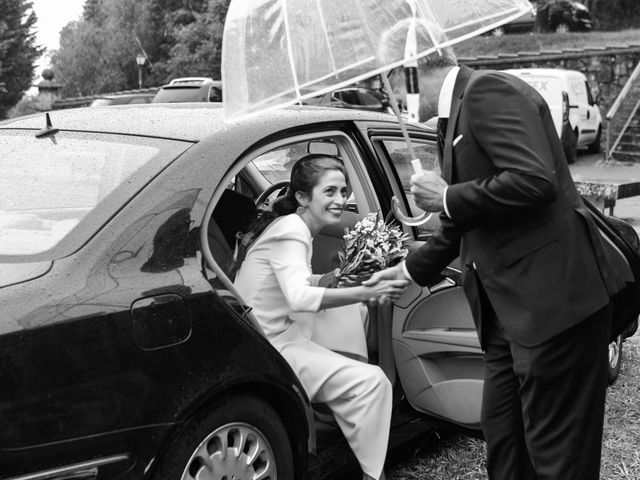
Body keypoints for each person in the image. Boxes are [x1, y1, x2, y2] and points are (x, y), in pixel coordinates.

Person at [366, 21, 627, 480]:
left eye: (385, 81)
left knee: (557, 458)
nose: (386, 95)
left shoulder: (489, 92)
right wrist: (407, 270)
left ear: (407, 71)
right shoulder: (452, 120)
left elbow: (536, 180)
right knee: (505, 444)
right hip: (507, 320)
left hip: (555, 311)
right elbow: (467, 221)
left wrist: (446, 195)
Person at [233, 154, 409, 480]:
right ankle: (374, 474)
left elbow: (293, 285)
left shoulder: (292, 225)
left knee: (348, 312)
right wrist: (366, 293)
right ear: (302, 196)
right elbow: (298, 298)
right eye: (329, 192)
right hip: (271, 346)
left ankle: (344, 410)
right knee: (374, 384)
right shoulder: (293, 230)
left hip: (268, 330)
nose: (341, 200)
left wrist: (336, 279)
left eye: (344, 192)